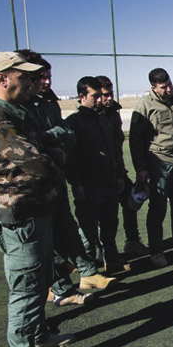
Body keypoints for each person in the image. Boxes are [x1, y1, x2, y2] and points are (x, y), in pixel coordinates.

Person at [0, 51, 74, 347]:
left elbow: (39, 145)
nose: (33, 83)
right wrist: (59, 151)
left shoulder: (18, 115)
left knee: (40, 280)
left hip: (37, 213)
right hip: (21, 219)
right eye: (25, 77)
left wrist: (52, 141)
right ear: (3, 79)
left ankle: (40, 334)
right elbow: (39, 165)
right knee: (26, 292)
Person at [17, 50, 115, 307]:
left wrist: (52, 139)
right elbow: (34, 144)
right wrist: (54, 140)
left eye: (48, 76)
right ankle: (55, 288)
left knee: (66, 233)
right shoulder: (21, 107)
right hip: (32, 188)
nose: (46, 82)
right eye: (41, 77)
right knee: (46, 243)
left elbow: (66, 137)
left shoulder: (49, 103)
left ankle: (72, 282)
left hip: (55, 178)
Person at [129, 68, 173, 268]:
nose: (168, 89)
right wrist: (141, 168)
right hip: (158, 164)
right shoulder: (144, 106)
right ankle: (157, 251)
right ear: (153, 88)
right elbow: (135, 140)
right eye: (163, 87)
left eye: (169, 84)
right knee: (157, 209)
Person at [66, 76, 129, 273]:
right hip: (89, 185)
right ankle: (88, 269)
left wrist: (119, 175)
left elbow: (114, 151)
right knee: (88, 229)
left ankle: (111, 260)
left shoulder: (104, 120)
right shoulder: (74, 122)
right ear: (81, 96)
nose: (100, 100)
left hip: (109, 182)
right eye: (95, 96)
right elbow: (71, 157)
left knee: (110, 225)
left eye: (101, 96)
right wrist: (76, 183)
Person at [98, 75, 148, 258]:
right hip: (100, 176)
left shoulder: (113, 114)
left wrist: (120, 173)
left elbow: (117, 148)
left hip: (118, 171)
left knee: (131, 203)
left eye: (111, 93)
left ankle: (132, 242)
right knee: (103, 216)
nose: (109, 98)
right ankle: (104, 253)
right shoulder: (91, 118)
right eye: (105, 95)